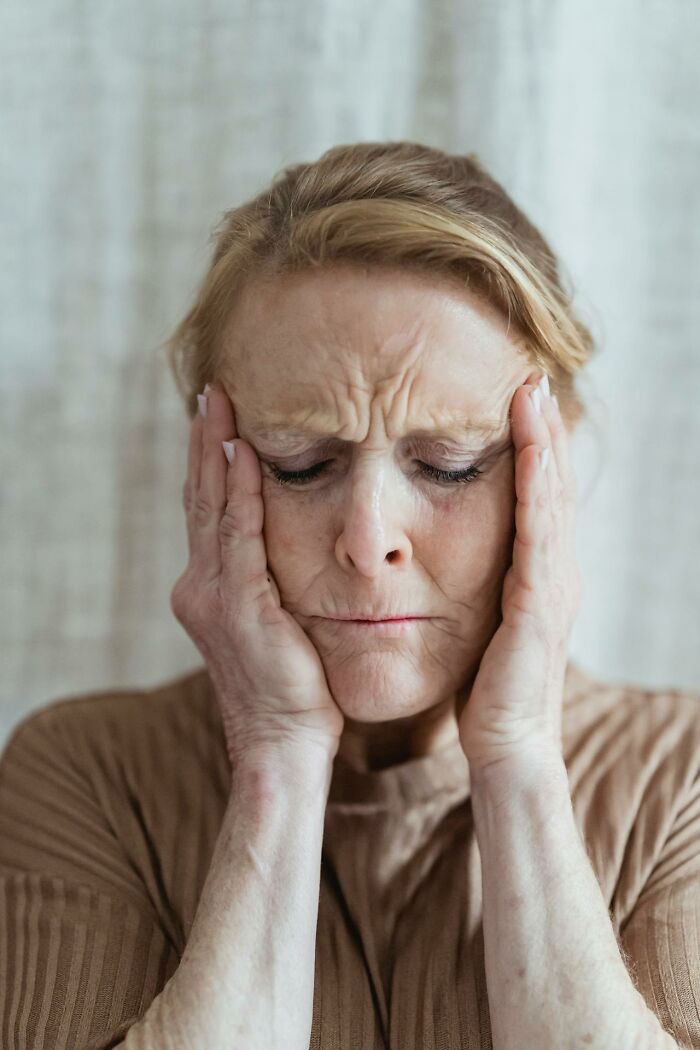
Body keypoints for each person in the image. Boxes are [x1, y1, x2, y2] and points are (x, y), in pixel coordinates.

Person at [1, 141, 699, 1050]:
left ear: (547, 471)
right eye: (302, 464)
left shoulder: (679, 780)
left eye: (449, 464)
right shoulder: (89, 776)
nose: (370, 542)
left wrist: (520, 756)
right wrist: (277, 759)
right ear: (212, 471)